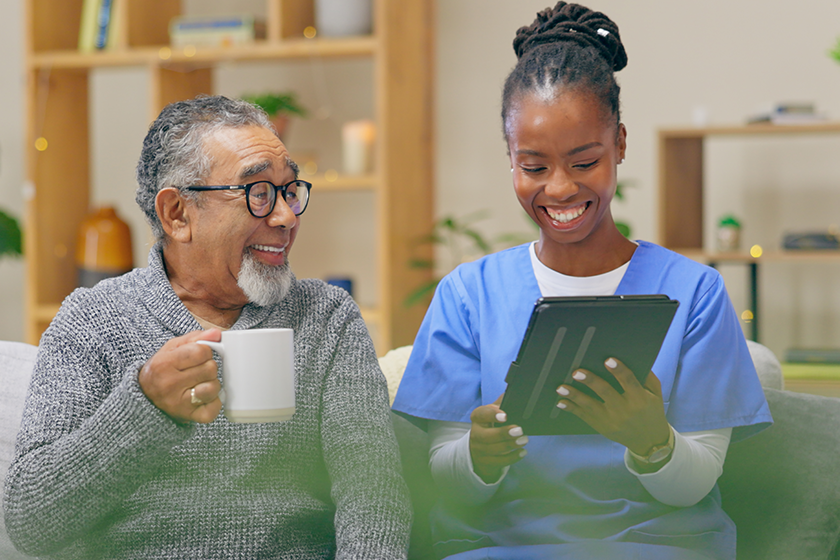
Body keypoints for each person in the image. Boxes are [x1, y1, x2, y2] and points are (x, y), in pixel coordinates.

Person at [392, 3, 772, 559]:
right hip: (503, 548)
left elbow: (695, 484)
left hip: (656, 547)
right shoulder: (468, 294)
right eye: (534, 167)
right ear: (510, 158)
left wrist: (653, 442)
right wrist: (479, 456)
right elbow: (450, 482)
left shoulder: (694, 292)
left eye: (584, 161)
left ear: (620, 144)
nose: (560, 189)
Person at [4, 95, 411, 559]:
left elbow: (373, 496)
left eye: (289, 190)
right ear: (177, 214)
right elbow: (31, 522)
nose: (286, 217)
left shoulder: (326, 317)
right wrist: (145, 408)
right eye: (259, 193)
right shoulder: (93, 320)